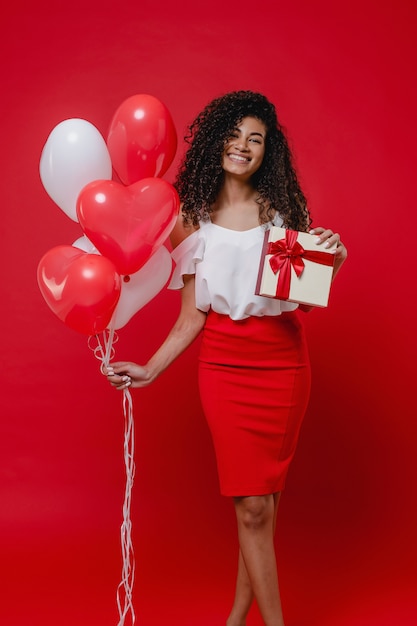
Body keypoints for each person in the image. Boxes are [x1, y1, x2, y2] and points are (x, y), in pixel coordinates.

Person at [106, 90, 347, 626]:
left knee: (263, 504)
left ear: (268, 151)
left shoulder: (283, 210)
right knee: (253, 505)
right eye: (234, 135)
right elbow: (192, 315)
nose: (242, 146)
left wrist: (335, 260)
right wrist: (149, 368)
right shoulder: (190, 219)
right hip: (224, 368)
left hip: (284, 364)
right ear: (216, 142)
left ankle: (239, 616)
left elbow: (304, 299)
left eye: (255, 139)